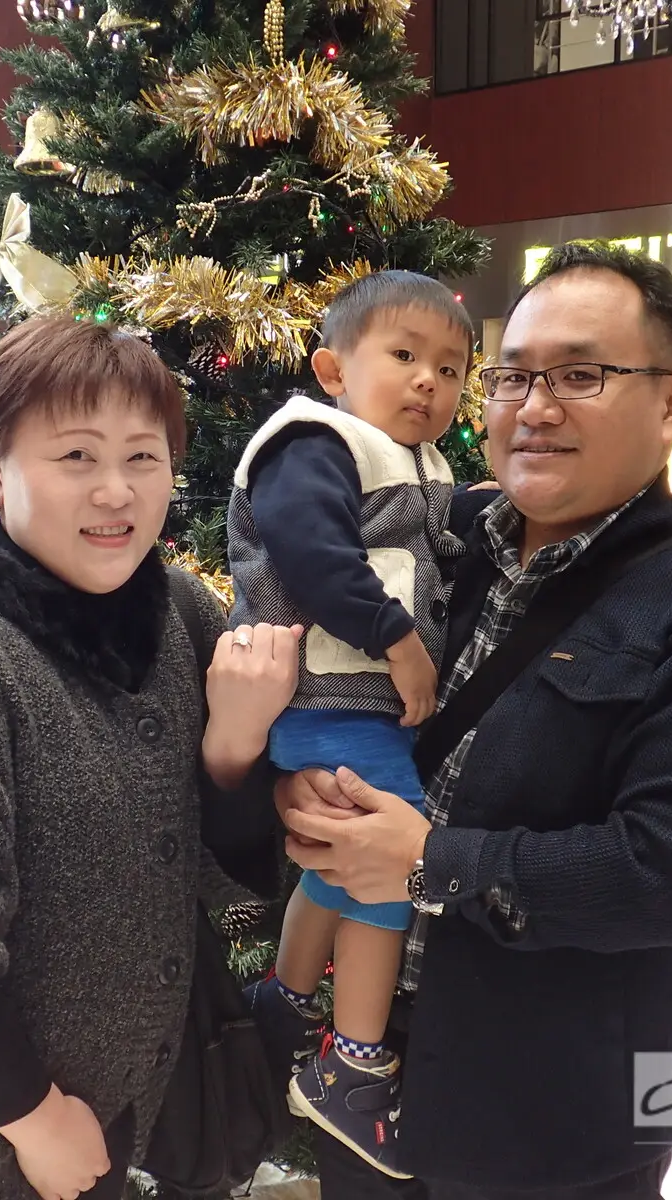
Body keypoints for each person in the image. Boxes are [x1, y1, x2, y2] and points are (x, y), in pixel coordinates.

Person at [274, 241, 672, 1199]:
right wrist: (299, 787)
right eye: (513, 376)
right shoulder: (441, 549)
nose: (536, 406)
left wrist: (431, 862)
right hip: (370, 1079)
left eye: (581, 375)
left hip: (559, 1115)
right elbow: (351, 707)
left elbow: (671, 874)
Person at [0, 315, 300, 1200]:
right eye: (76, 456)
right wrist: (31, 1116)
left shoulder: (175, 613)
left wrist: (234, 751)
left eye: (143, 457)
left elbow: (226, 878)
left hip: (126, 1118)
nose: (115, 491)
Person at [227, 271, 473, 1178]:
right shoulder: (314, 442)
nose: (428, 381)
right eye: (404, 355)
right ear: (333, 370)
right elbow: (311, 551)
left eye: (451, 369)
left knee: (336, 864)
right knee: (387, 869)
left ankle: (287, 1001)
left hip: (353, 712)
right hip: (331, 699)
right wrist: (397, 639)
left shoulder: (417, 462)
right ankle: (353, 1067)